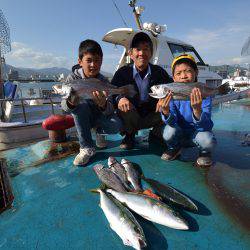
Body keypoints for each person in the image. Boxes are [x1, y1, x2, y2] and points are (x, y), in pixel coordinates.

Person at [61, 39, 121, 166]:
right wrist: (72, 102)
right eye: (89, 60)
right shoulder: (72, 79)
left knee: (116, 124)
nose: (93, 64)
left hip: (99, 116)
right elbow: (64, 107)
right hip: (83, 118)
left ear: (101, 61)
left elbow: (110, 109)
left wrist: (103, 104)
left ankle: (99, 132)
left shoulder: (103, 81)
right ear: (80, 61)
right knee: (80, 106)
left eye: (97, 60)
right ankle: (86, 147)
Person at [111, 32, 173, 149]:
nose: (142, 53)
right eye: (138, 49)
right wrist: (119, 99)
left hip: (152, 114)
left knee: (168, 107)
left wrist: (163, 98)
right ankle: (129, 135)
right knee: (124, 108)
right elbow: (112, 93)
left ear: (151, 53)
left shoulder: (159, 72)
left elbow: (170, 87)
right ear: (131, 53)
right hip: (132, 115)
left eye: (146, 49)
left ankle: (155, 134)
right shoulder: (122, 73)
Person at [157, 54, 216, 167]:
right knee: (168, 132)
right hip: (179, 134)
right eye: (178, 73)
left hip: (197, 134)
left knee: (208, 140)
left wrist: (197, 110)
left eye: (188, 71)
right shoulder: (170, 95)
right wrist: (166, 111)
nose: (183, 76)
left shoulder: (203, 94)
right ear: (173, 78)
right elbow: (172, 122)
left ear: (196, 73)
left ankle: (204, 152)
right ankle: (174, 148)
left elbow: (207, 126)